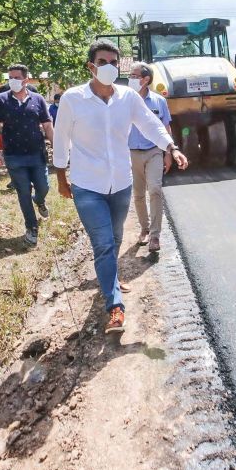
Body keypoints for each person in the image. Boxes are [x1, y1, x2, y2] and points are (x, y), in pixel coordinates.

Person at [53, 40, 189, 334]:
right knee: (103, 244)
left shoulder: (128, 97)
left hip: (121, 184)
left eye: (114, 62)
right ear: (91, 66)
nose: (110, 67)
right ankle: (114, 306)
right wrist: (61, 177)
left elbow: (150, 124)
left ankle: (110, 279)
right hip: (87, 185)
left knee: (114, 239)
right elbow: (61, 139)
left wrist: (171, 147)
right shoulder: (73, 99)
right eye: (103, 62)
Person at [0, 64, 54, 245]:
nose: (12, 80)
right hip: (14, 156)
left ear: (26, 80)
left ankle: (39, 200)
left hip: (37, 154)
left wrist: (57, 148)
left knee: (43, 186)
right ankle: (31, 228)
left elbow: (47, 126)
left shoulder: (38, 99)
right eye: (10, 77)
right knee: (23, 192)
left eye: (16, 77)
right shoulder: (1, 100)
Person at [127, 62, 173, 252]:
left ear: (146, 79)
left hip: (154, 151)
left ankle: (155, 235)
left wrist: (168, 153)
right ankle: (144, 229)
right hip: (131, 153)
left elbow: (166, 127)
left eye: (134, 75)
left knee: (154, 189)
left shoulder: (159, 101)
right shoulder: (124, 100)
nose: (130, 78)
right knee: (138, 194)